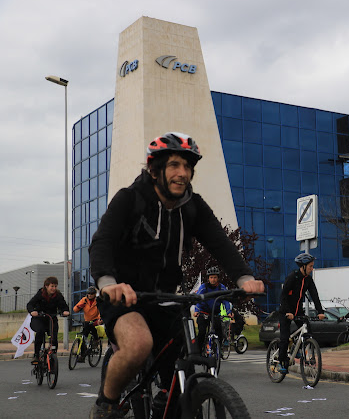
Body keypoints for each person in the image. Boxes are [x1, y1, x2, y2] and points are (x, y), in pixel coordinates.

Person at [89, 132, 264, 418]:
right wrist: (108, 283)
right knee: (138, 345)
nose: (182, 173)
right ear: (155, 169)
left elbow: (220, 243)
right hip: (125, 295)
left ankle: (168, 401)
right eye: (174, 165)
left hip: (166, 297)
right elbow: (102, 242)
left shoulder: (193, 206)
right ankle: (106, 403)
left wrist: (244, 278)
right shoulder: (129, 200)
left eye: (187, 166)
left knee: (185, 355)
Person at [277, 253, 325, 374]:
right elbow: (283, 295)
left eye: (312, 266)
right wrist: (288, 311)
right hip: (285, 311)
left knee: (307, 332)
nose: (312, 269)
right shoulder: (293, 277)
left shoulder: (308, 279)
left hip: (298, 311)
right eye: (310, 266)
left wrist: (320, 311)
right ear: (303, 266)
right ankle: (282, 362)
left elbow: (314, 295)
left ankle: (296, 348)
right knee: (284, 338)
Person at [26, 276, 70, 364]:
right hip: (39, 319)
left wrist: (65, 311)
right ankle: (36, 355)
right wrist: (32, 311)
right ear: (46, 286)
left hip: (51, 319)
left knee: (54, 337)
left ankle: (53, 355)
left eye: (55, 286)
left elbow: (63, 305)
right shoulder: (40, 294)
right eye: (52, 286)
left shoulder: (58, 295)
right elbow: (30, 304)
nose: (54, 288)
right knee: (40, 332)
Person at [193, 266, 232, 349]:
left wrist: (229, 312)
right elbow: (198, 299)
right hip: (204, 312)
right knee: (202, 332)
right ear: (208, 278)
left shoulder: (221, 288)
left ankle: (218, 349)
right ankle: (199, 351)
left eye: (215, 277)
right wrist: (196, 310)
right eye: (211, 277)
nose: (213, 279)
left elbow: (226, 301)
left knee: (219, 332)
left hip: (215, 313)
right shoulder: (204, 287)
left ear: (218, 278)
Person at [73, 286, 102, 360]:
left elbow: (101, 311)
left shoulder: (98, 301)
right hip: (87, 321)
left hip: (95, 320)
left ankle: (96, 341)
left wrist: (99, 319)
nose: (90, 295)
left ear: (95, 294)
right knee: (82, 336)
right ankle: (83, 355)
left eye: (92, 294)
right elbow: (75, 309)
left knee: (93, 329)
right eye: (88, 293)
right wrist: (79, 307)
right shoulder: (84, 300)